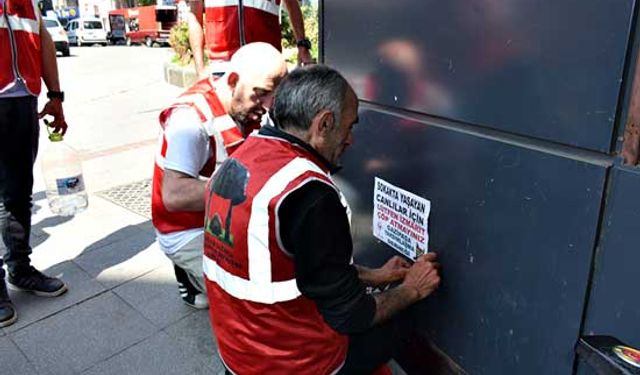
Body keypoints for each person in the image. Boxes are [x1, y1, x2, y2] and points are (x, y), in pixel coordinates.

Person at [203, 65, 441, 374]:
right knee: (408, 316)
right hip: (294, 365)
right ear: (325, 124)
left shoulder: (242, 157)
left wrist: (377, 276)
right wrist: (411, 289)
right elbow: (351, 316)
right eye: (349, 127)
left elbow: (306, 268)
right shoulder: (310, 193)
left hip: (238, 357)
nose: (350, 140)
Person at [151, 42, 287, 309]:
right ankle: (189, 270)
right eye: (261, 94)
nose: (268, 105)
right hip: (186, 229)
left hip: (222, 217)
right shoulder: (190, 121)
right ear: (233, 80)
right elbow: (174, 196)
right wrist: (254, 189)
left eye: (274, 96)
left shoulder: (243, 100)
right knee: (248, 296)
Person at [0, 0, 69, 327]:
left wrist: (55, 96)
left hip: (22, 99)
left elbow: (42, 38)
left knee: (18, 194)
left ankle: (20, 267)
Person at [186, 0, 313, 77]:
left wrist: (302, 45)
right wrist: (200, 70)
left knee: (268, 120)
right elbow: (194, 14)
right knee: (224, 120)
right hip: (222, 66)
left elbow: (292, 4)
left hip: (267, 64)